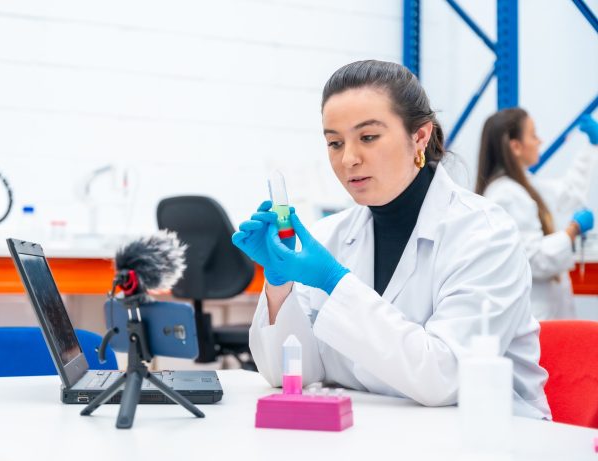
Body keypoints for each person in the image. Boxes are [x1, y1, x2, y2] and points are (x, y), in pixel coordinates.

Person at [232, 60, 550, 419]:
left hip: (489, 439)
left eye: (368, 137)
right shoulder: (330, 236)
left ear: (420, 136)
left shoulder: (485, 234)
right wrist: (279, 284)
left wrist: (334, 283)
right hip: (381, 434)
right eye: (335, 143)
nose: (348, 158)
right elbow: (288, 375)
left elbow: (445, 378)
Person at [476, 109, 597, 320]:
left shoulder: (522, 184)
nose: (540, 141)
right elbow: (534, 260)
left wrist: (591, 146)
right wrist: (572, 230)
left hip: (546, 314)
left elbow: (568, 192)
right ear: (515, 146)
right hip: (537, 316)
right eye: (533, 135)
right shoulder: (506, 194)